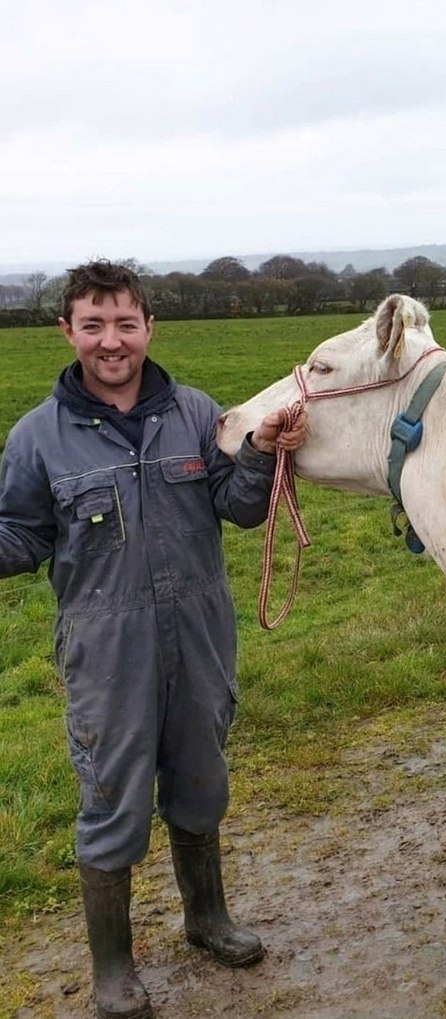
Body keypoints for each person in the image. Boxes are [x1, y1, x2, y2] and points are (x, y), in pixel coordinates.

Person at [0, 261, 306, 1019]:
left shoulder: (197, 412)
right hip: (106, 650)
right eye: (94, 325)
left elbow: (237, 508)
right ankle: (113, 966)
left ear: (149, 328)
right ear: (67, 331)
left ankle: (207, 919)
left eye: (125, 323)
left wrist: (263, 449)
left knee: (202, 782)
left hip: (200, 635)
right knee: (113, 801)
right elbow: (19, 536)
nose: (112, 341)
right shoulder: (38, 438)